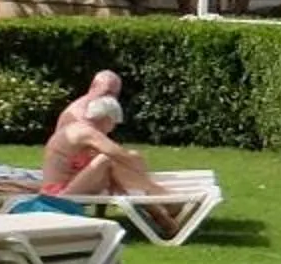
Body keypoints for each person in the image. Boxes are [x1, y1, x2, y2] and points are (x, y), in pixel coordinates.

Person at [39, 96, 187, 235]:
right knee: (107, 160)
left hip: (69, 186)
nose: (112, 129)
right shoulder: (86, 132)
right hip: (58, 194)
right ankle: (163, 199)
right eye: (114, 124)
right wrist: (139, 166)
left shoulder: (80, 129)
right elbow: (116, 153)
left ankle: (161, 212)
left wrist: (134, 160)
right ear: (107, 119)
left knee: (116, 163)